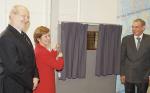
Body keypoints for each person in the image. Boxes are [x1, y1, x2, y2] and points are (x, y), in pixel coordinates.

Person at [0, 5, 39, 93]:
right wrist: (30, 82)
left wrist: (36, 76)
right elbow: (13, 68)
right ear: (12, 16)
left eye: (28, 17)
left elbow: (32, 59)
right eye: (23, 16)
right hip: (14, 87)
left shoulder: (24, 35)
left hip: (25, 85)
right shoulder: (6, 37)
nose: (27, 20)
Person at [120, 18, 150, 93]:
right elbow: (122, 58)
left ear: (143, 28)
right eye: (133, 27)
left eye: (136, 27)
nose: (134, 29)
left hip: (144, 75)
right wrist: (122, 74)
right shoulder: (126, 39)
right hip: (129, 75)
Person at [33, 26, 64, 93]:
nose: (48, 38)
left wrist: (54, 50)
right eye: (45, 36)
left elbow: (48, 59)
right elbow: (59, 66)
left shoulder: (39, 49)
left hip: (43, 83)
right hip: (45, 85)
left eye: (49, 36)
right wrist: (60, 57)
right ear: (38, 39)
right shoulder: (42, 52)